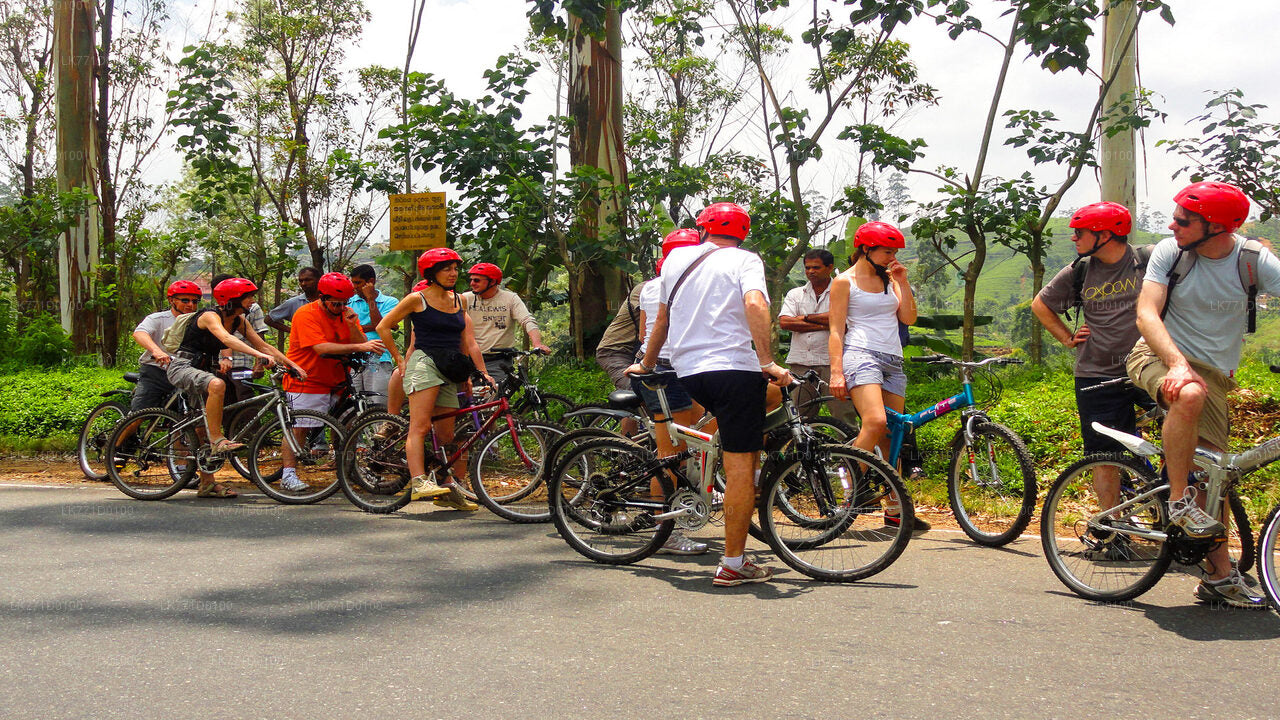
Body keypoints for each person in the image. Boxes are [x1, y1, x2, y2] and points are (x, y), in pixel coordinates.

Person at [1127, 181, 1280, 608]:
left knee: (1216, 477)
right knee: (1188, 393)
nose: (1172, 225)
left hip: (1216, 373)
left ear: (1216, 227)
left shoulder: (1252, 261)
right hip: (1157, 353)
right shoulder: (1170, 253)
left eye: (1183, 220)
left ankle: (1217, 576)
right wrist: (1177, 364)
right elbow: (1145, 314)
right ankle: (1177, 501)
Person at [627, 202, 793, 587]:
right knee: (740, 465)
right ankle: (733, 563)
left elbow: (662, 319)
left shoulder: (676, 260)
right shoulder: (745, 260)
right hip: (733, 370)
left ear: (703, 229)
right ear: (742, 234)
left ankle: (702, 487)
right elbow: (755, 303)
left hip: (688, 371)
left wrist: (648, 364)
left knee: (711, 434)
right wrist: (767, 361)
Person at [1031, 201, 1151, 516]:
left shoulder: (1148, 261)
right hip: (1096, 373)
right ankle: (1112, 528)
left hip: (1149, 367)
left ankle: (1168, 503)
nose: (1074, 238)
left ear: (1106, 234)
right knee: (1104, 454)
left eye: (1080, 232)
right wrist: (1066, 337)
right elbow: (1041, 305)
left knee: (1177, 434)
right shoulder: (1080, 270)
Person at [827, 221, 926, 531]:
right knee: (875, 422)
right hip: (860, 354)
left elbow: (908, 317)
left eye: (893, 251)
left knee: (891, 433)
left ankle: (895, 509)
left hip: (893, 359)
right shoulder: (844, 282)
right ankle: (850, 485)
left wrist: (903, 282)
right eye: (886, 251)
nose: (891, 256)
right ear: (865, 249)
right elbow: (835, 329)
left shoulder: (890, 280)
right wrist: (836, 372)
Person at [167, 278, 305, 498]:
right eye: (248, 297)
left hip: (205, 369)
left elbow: (263, 345)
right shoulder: (209, 316)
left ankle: (207, 484)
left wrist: (292, 364)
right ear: (232, 300)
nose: (252, 301)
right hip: (183, 366)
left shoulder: (240, 320)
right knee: (218, 384)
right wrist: (259, 356)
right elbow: (225, 339)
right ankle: (218, 439)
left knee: (201, 426)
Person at [377, 249, 493, 512]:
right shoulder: (416, 299)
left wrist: (467, 375)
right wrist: (399, 359)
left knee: (447, 434)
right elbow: (384, 326)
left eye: (455, 268)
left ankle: (448, 486)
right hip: (425, 364)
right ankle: (419, 481)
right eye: (446, 269)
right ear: (431, 274)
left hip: (450, 368)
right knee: (419, 426)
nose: (453, 273)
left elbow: (464, 340)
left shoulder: (459, 300)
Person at [630, 228, 709, 556]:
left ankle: (696, 490)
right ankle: (664, 530)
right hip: (663, 372)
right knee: (671, 454)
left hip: (675, 368)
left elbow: (642, 331)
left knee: (693, 438)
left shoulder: (652, 285)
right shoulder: (682, 286)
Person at [277, 272, 385, 492]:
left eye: (344, 303)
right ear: (322, 297)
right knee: (300, 428)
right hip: (308, 379)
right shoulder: (305, 314)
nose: (340, 307)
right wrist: (359, 347)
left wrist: (354, 326)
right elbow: (321, 348)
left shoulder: (346, 313)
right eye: (335, 304)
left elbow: (361, 341)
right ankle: (288, 474)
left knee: (346, 425)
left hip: (337, 379)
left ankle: (346, 469)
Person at [777, 248, 859, 426]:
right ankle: (800, 453)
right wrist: (828, 321)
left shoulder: (844, 291)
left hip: (833, 364)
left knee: (842, 415)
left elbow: (844, 324)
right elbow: (785, 323)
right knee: (799, 416)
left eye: (816, 267)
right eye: (807, 268)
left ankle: (849, 452)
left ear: (830, 267)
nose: (810, 272)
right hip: (800, 363)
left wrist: (805, 317)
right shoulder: (796, 294)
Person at [461, 262, 551, 385]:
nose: (472, 284)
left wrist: (537, 344)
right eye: (471, 280)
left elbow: (527, 320)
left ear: (492, 282)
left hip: (498, 360)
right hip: (469, 360)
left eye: (477, 280)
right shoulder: (464, 299)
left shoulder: (510, 299)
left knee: (496, 397)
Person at [129, 280, 202, 411]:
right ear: (171, 300)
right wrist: (156, 351)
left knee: (190, 416)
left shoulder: (199, 322)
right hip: (156, 371)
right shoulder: (157, 319)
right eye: (185, 300)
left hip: (184, 372)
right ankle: (121, 432)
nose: (190, 305)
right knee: (138, 415)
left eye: (195, 301)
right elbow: (140, 333)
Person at [210, 272, 269, 402]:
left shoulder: (251, 308)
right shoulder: (215, 311)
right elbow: (224, 338)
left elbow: (260, 338)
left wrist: (259, 362)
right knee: (224, 400)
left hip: (242, 363)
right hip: (220, 364)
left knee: (245, 397)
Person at [347, 264, 399, 404]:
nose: (355, 287)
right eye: (353, 283)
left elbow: (379, 325)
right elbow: (345, 328)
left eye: (358, 283)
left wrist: (370, 299)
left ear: (371, 281)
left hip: (378, 358)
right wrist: (377, 327)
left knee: (378, 403)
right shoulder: (349, 302)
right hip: (353, 359)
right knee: (354, 406)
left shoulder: (390, 302)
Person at [265, 266, 322, 335]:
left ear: (318, 280)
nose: (303, 284)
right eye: (301, 281)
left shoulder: (328, 300)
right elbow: (268, 319)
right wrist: (292, 331)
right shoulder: (294, 303)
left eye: (308, 280)